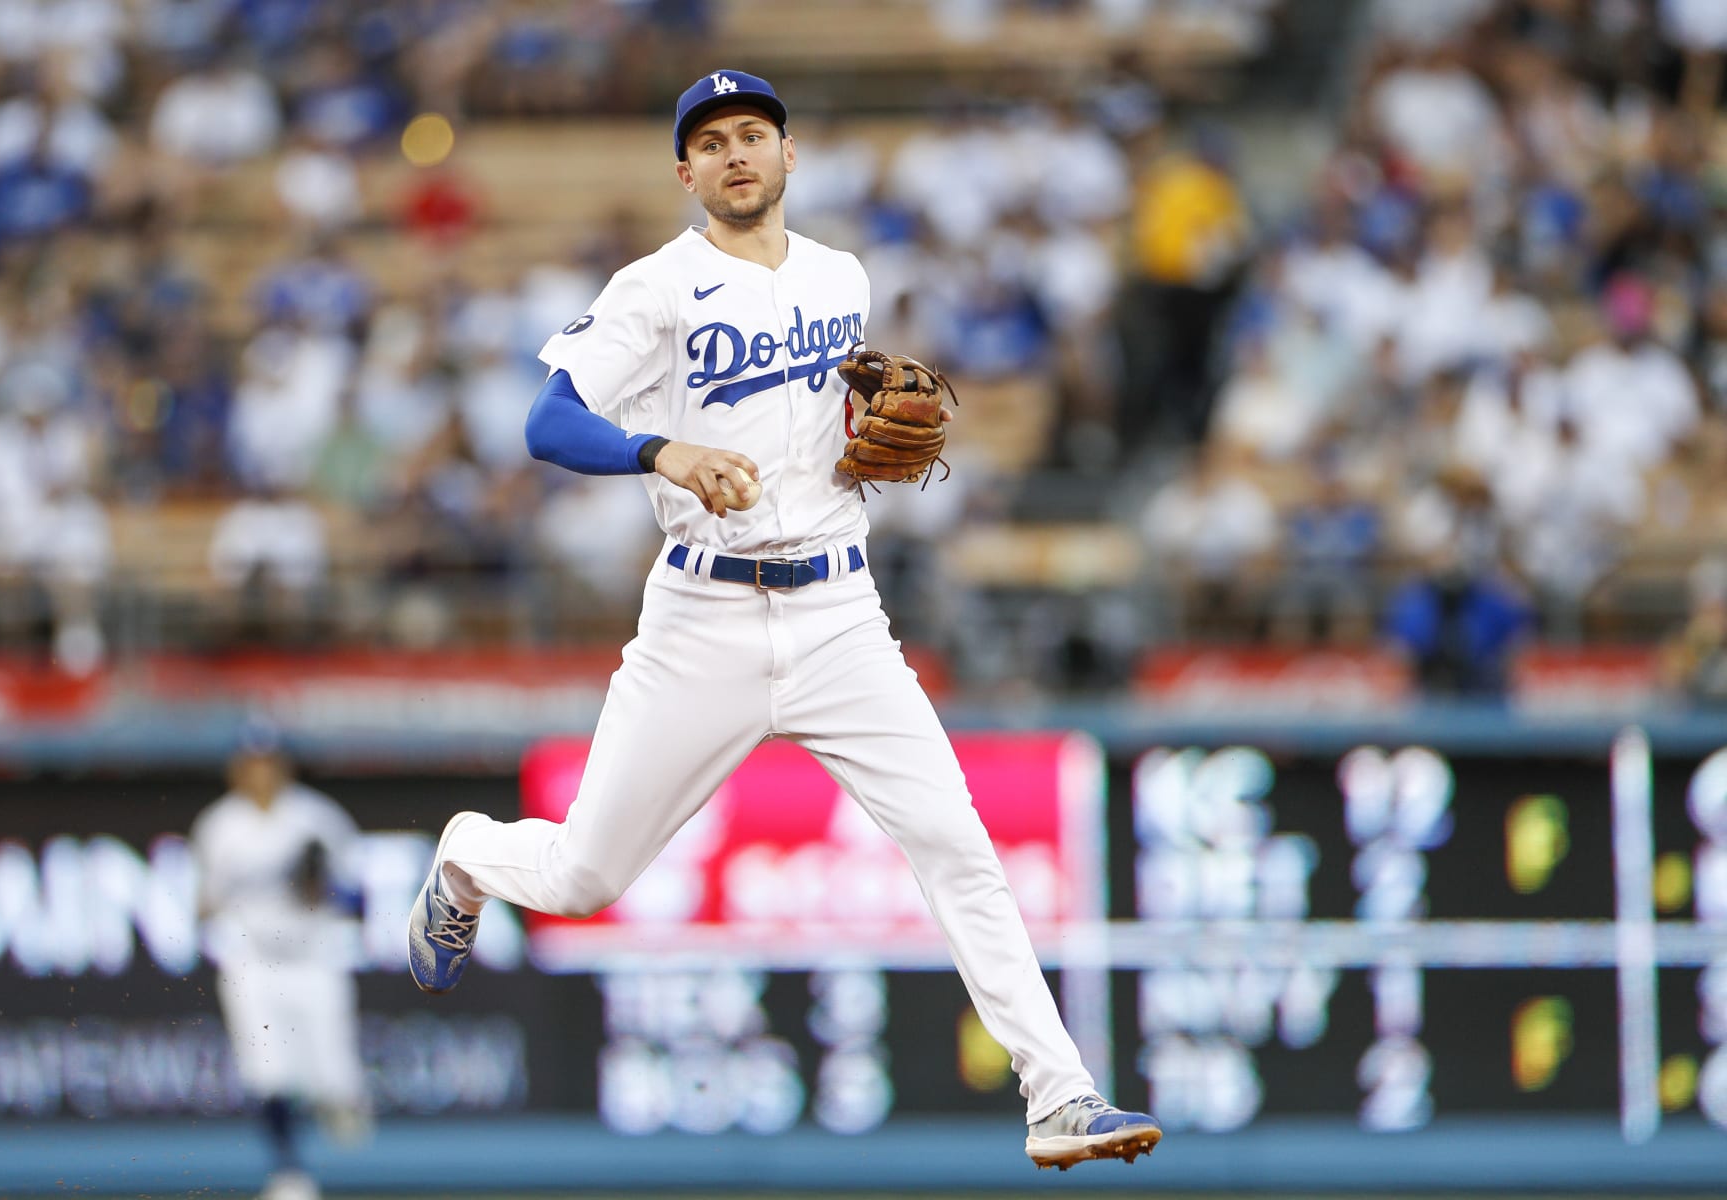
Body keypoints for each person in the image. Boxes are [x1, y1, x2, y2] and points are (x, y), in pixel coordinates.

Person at [406, 69, 1161, 1170]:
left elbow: (831, 421)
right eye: (710, 143)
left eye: (753, 133)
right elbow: (546, 422)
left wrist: (860, 413)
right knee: (583, 880)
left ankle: (1060, 1096)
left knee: (955, 844)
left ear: (789, 154)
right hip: (701, 616)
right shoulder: (655, 289)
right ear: (686, 173)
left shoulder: (841, 278)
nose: (735, 154)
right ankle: (469, 856)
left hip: (841, 614)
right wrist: (660, 450)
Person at [193, 721, 370, 1200]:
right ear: (236, 769)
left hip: (314, 959)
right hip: (253, 961)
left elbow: (359, 896)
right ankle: (289, 1174)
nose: (260, 773)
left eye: (268, 763)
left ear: (284, 766)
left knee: (334, 1081)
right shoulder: (219, 826)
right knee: (268, 1074)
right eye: (251, 764)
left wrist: (323, 887)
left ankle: (341, 1100)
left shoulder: (316, 818)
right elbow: (203, 904)